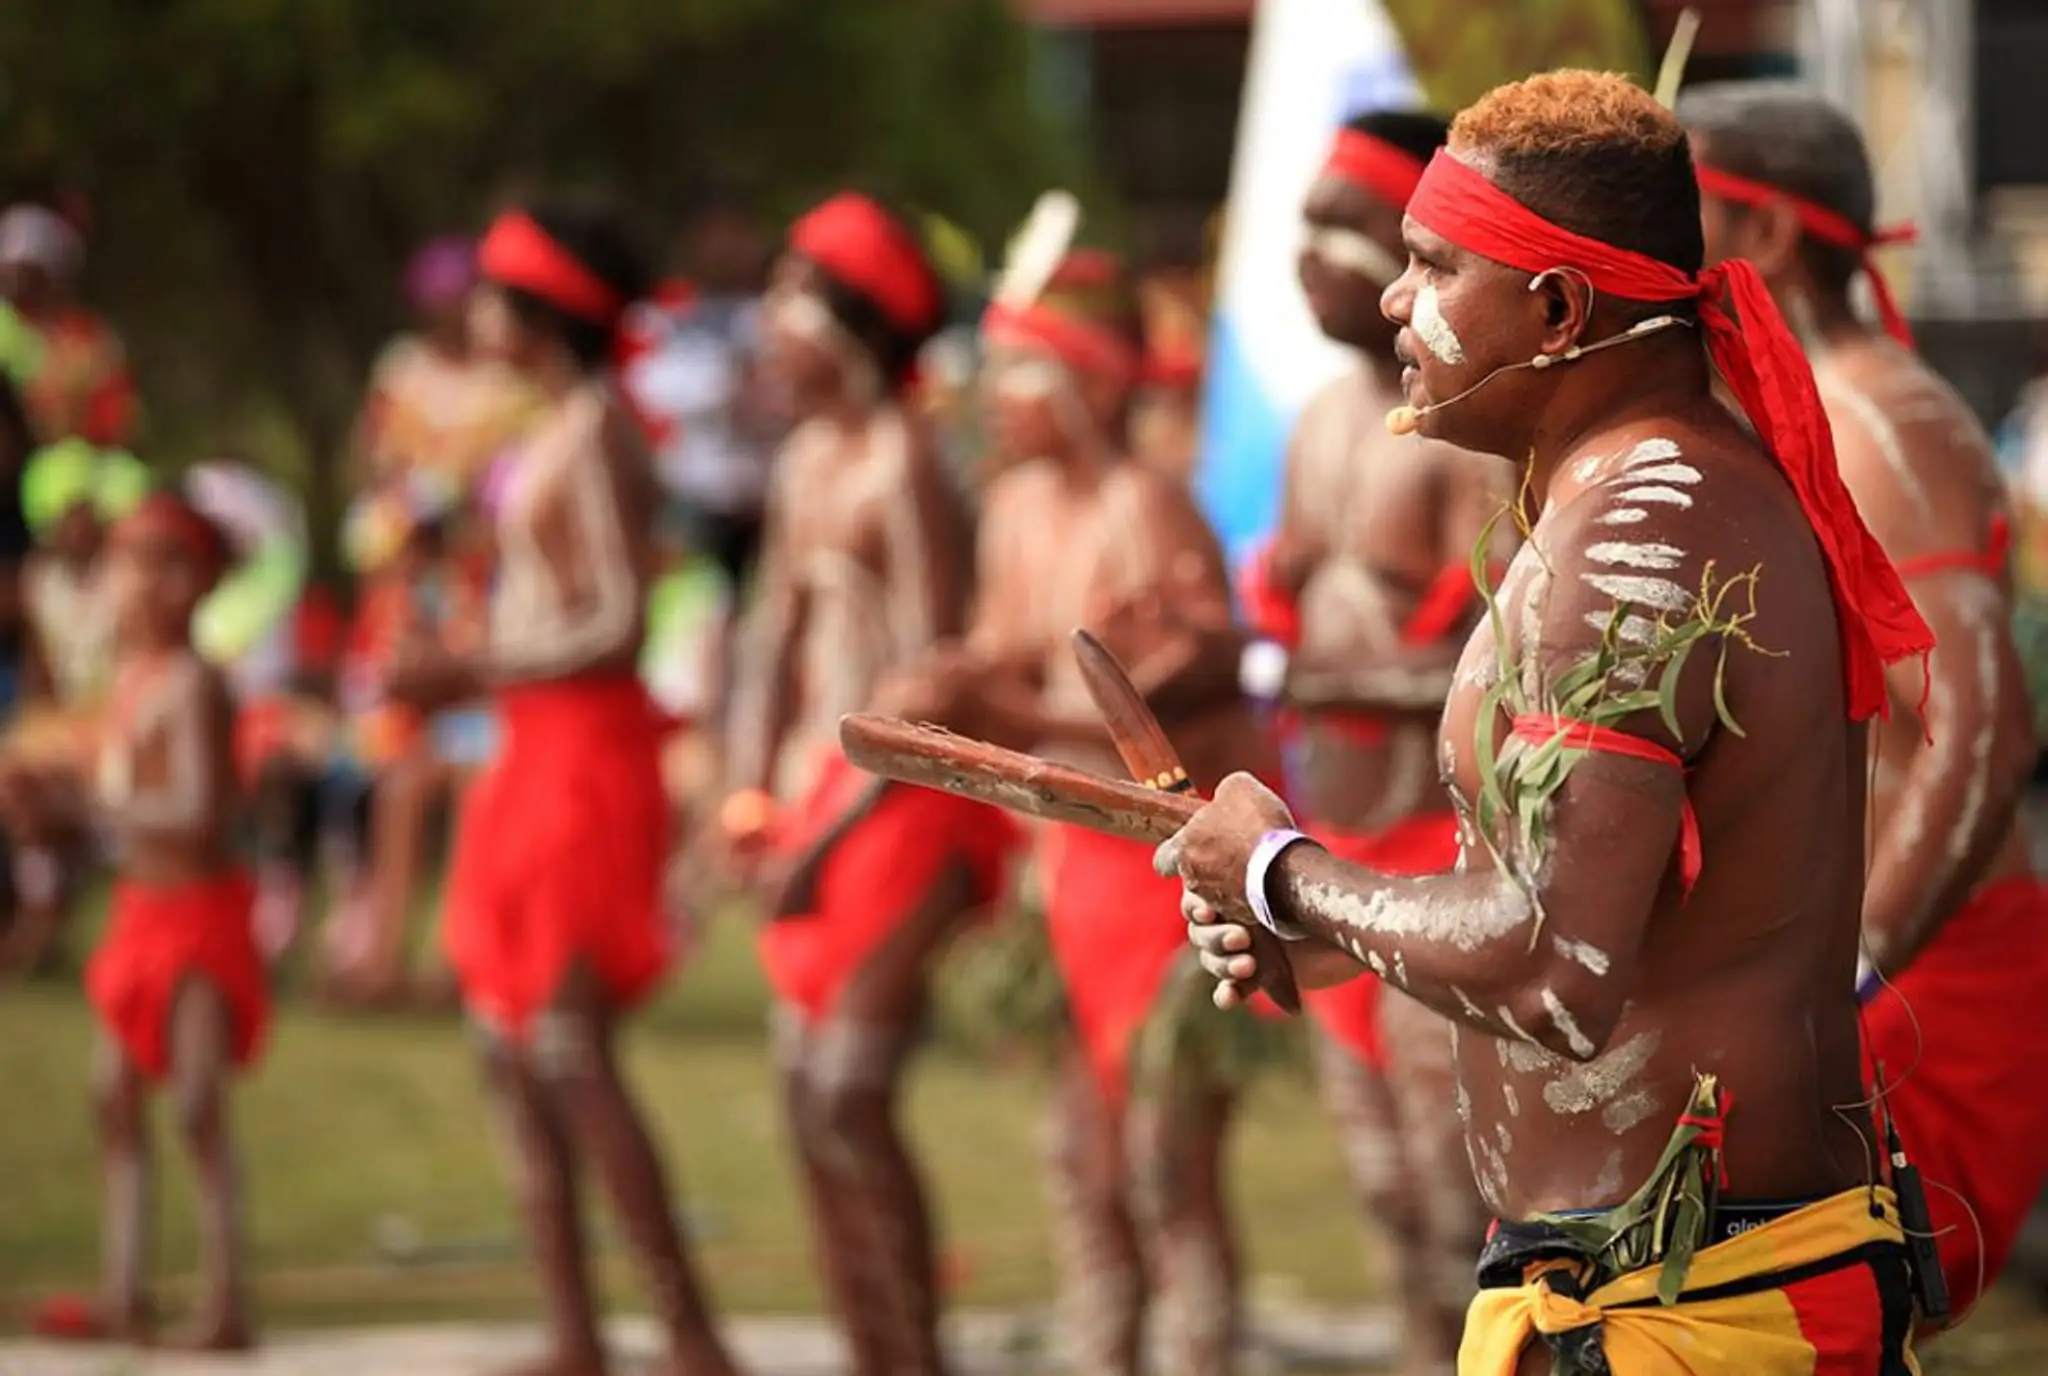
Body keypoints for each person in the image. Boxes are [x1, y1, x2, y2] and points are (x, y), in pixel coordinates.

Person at [1156, 71, 1934, 1370]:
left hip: (1700, 1301)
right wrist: (1323, 936)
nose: (1397, 301)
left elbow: (1553, 971)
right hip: (1638, 1286)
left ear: (1559, 307)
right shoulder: (1620, 506)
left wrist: (1285, 877)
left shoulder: (1637, 538)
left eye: (1431, 265)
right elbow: (1585, 914)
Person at [1683, 79, 2048, 1324]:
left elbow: (1981, 732)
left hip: (1916, 984)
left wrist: (1848, 975)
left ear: (1766, 234)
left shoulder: (1882, 423)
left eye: (1671, 201)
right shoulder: (1779, 416)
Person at [889, 237, 1275, 1376]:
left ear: (1088, 382)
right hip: (1061, 877)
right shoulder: (1011, 508)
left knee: (1167, 1168)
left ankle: (1200, 1354)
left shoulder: (1145, 507)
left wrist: (985, 697)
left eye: (1018, 373)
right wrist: (954, 683)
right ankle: (1103, 1350)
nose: (992, 401)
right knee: (1079, 1161)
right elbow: (1012, 665)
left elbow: (1169, 695)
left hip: (1166, 883)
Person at [385, 203, 739, 1376]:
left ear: (539, 313)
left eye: (493, 290)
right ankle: (575, 1330)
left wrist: (472, 662)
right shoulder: (558, 428)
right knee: (508, 1041)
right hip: (530, 749)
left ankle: (685, 1331)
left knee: (568, 1042)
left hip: (582, 754)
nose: (473, 311)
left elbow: (614, 621)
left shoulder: (596, 433)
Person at [719, 192, 1008, 1376]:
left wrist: (829, 836)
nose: (768, 327)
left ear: (843, 325)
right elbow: (767, 643)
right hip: (814, 804)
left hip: (902, 813)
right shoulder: (802, 462)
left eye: (789, 297)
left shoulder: (905, 467)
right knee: (804, 1101)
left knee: (845, 1093)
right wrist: (743, 789)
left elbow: (930, 693)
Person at [1238, 108, 1506, 1373]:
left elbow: (1503, 652)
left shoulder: (1466, 433)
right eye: (1305, 224)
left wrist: (1312, 672)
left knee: (1461, 1207)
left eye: (1347, 228)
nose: (1312, 255)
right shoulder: (1312, 426)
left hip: (1433, 852)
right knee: (1384, 1193)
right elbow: (1281, 635)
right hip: (1322, 844)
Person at [23, 493, 264, 1349]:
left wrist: (90, 806)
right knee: (114, 1097)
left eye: (166, 564)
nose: (143, 584)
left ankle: (227, 1297)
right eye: (131, 563)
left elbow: (197, 809)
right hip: (141, 911)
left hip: (196, 915)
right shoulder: (130, 681)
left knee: (197, 1098)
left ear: (200, 582)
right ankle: (123, 1288)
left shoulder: (195, 682)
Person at [352, 235, 541, 492]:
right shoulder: (402, 365)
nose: (448, 319)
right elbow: (372, 445)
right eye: (438, 308)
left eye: (455, 304)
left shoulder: (504, 370)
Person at [0, 203, 137, 448]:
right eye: (7, 267)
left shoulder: (88, 338)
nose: (13, 279)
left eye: (24, 270)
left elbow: (117, 416)